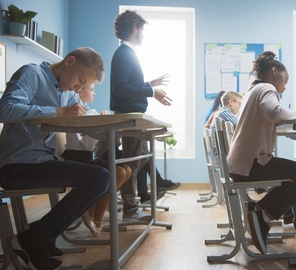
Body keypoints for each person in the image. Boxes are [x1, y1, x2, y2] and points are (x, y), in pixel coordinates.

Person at [0, 47, 108, 270]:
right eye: (79, 81)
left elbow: (83, 119)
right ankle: (36, 237)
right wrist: (57, 112)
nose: (78, 89)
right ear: (69, 61)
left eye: (82, 86)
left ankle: (41, 235)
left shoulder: (67, 91)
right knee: (99, 177)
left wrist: (105, 124)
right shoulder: (32, 74)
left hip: (44, 161)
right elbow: (5, 109)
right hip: (17, 166)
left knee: (104, 170)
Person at [227, 51, 296, 254]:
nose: (285, 85)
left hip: (240, 164)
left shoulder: (252, 91)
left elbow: (275, 116)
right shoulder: (267, 87)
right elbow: (274, 111)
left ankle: (259, 211)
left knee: (294, 177)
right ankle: (262, 215)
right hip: (251, 164)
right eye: (285, 79)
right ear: (274, 71)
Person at [110, 10, 172, 220]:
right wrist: (151, 91)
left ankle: (128, 203)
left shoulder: (126, 53)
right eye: (142, 29)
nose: (143, 34)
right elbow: (120, 88)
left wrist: (148, 85)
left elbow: (128, 86)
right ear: (135, 27)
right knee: (130, 162)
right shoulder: (125, 54)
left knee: (139, 159)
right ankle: (128, 209)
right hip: (130, 116)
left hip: (134, 115)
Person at [61, 83, 132, 237]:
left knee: (125, 170)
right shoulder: (74, 110)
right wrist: (103, 121)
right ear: (79, 91)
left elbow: (98, 130)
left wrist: (104, 120)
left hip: (87, 158)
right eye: (91, 90)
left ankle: (93, 214)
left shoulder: (90, 111)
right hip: (74, 158)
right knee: (117, 172)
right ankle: (94, 217)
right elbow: (91, 130)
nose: (94, 94)